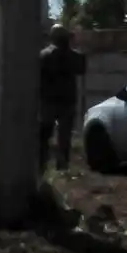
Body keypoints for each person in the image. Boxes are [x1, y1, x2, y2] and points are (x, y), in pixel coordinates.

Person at [39, 24, 85, 173]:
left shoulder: (45, 55)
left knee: (44, 136)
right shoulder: (74, 56)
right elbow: (82, 67)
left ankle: (41, 166)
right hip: (67, 102)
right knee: (64, 139)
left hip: (49, 102)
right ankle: (62, 167)